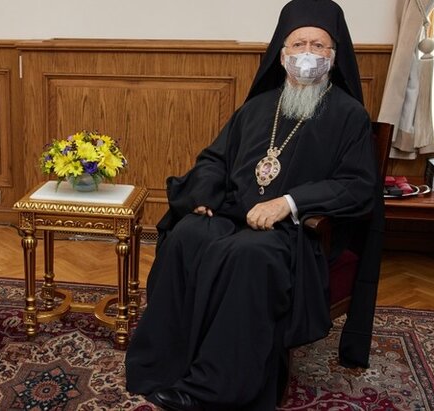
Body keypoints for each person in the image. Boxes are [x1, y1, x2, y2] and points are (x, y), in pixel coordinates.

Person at [124, 0, 384, 409]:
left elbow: (357, 186)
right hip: (233, 213)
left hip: (294, 234)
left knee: (247, 253)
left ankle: (215, 389)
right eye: (299, 44)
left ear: (334, 57)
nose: (307, 54)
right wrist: (205, 194)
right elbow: (214, 159)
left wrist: (290, 202)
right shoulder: (257, 107)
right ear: (281, 56)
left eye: (319, 46)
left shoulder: (349, 116)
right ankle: (166, 364)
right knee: (188, 233)